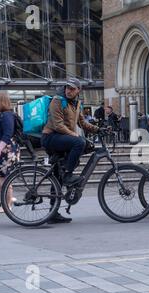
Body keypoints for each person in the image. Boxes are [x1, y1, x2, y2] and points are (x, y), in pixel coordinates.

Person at [41, 78, 100, 223]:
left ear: (79, 90)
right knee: (79, 143)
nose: (69, 90)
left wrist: (98, 129)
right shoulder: (57, 100)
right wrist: (75, 135)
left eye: (72, 88)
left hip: (62, 139)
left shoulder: (77, 103)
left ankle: (52, 213)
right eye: (67, 87)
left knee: (57, 176)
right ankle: (69, 174)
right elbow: (58, 125)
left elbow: (82, 122)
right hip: (51, 137)